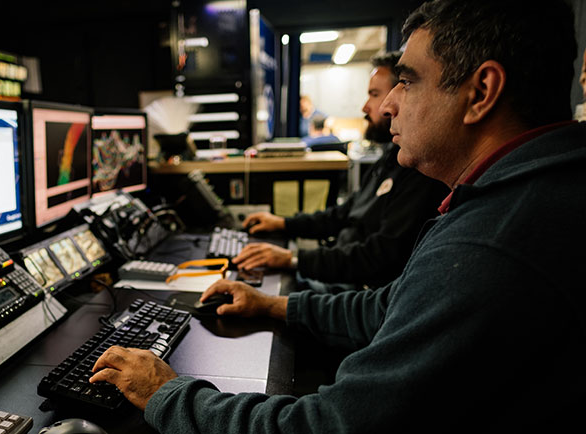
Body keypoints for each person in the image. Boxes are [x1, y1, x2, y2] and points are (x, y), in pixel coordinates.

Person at [90, 0, 586, 431]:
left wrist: (169, 395)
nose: (388, 104)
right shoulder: (524, 194)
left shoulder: (492, 243)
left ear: (481, 92)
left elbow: (331, 424)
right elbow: (390, 307)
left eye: (408, 81)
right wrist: (274, 306)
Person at [235, 52, 448, 291]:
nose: (365, 107)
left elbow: (379, 257)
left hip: (355, 290)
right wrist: (283, 224)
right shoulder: (390, 158)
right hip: (339, 273)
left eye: (374, 94)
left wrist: (292, 259)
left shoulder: (420, 174)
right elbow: (343, 214)